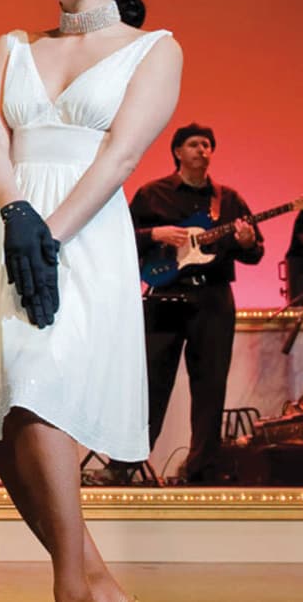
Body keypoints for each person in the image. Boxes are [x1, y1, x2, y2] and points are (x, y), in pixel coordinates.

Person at [0, 0, 182, 602]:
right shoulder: (14, 47)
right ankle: (97, 582)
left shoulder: (154, 50)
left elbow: (121, 155)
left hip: (82, 236)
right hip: (15, 231)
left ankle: (69, 587)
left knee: (38, 387)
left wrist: (51, 230)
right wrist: (16, 212)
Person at [129, 123, 264, 484]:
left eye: (207, 145)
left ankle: (201, 468)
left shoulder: (229, 200)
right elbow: (120, 239)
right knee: (153, 384)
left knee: (210, 387)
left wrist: (248, 241)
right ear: (177, 152)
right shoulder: (152, 195)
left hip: (213, 299)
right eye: (193, 144)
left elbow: (256, 254)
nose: (202, 150)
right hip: (164, 298)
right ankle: (127, 464)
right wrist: (154, 234)